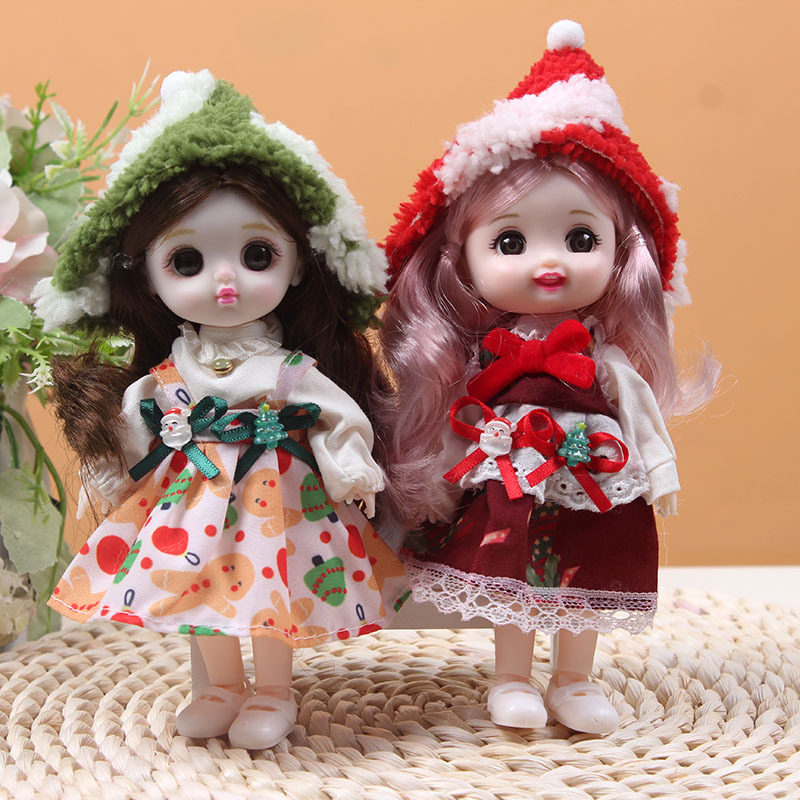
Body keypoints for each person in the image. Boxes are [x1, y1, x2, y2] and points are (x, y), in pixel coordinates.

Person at [34, 70, 407, 749]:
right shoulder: (172, 370)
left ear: (298, 265)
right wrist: (110, 470)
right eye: (187, 260)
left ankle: (272, 691)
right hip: (189, 501)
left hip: (278, 501)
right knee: (195, 586)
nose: (225, 279)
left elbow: (337, 416)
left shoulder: (290, 371)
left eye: (257, 254)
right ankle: (217, 688)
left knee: (270, 590)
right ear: (149, 275)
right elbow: (137, 421)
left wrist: (349, 465)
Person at [378, 20, 717, 734]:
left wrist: (660, 470)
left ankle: (573, 679)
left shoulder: (602, 358)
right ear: (461, 259)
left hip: (596, 486)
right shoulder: (480, 359)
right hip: (508, 490)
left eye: (580, 237)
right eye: (510, 240)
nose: (549, 261)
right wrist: (437, 480)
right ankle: (511, 678)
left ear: (621, 253)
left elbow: (641, 414)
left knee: (589, 575)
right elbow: (458, 420)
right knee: (508, 578)